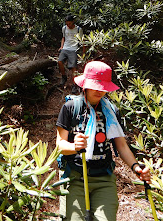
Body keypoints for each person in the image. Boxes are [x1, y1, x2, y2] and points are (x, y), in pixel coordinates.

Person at [56, 60, 151, 221]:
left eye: (103, 87)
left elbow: (121, 146)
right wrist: (74, 146)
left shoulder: (111, 112)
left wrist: (136, 168)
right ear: (85, 85)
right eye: (95, 85)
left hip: (104, 178)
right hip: (74, 176)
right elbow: (60, 145)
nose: (99, 90)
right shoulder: (71, 108)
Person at [58, 15, 83, 94]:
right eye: (67, 23)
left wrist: (83, 54)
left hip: (73, 49)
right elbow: (63, 38)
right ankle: (64, 77)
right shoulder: (64, 28)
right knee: (59, 62)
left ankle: (74, 85)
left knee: (73, 68)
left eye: (69, 23)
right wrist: (61, 46)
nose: (68, 25)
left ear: (73, 22)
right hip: (65, 48)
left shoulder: (78, 29)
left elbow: (82, 41)